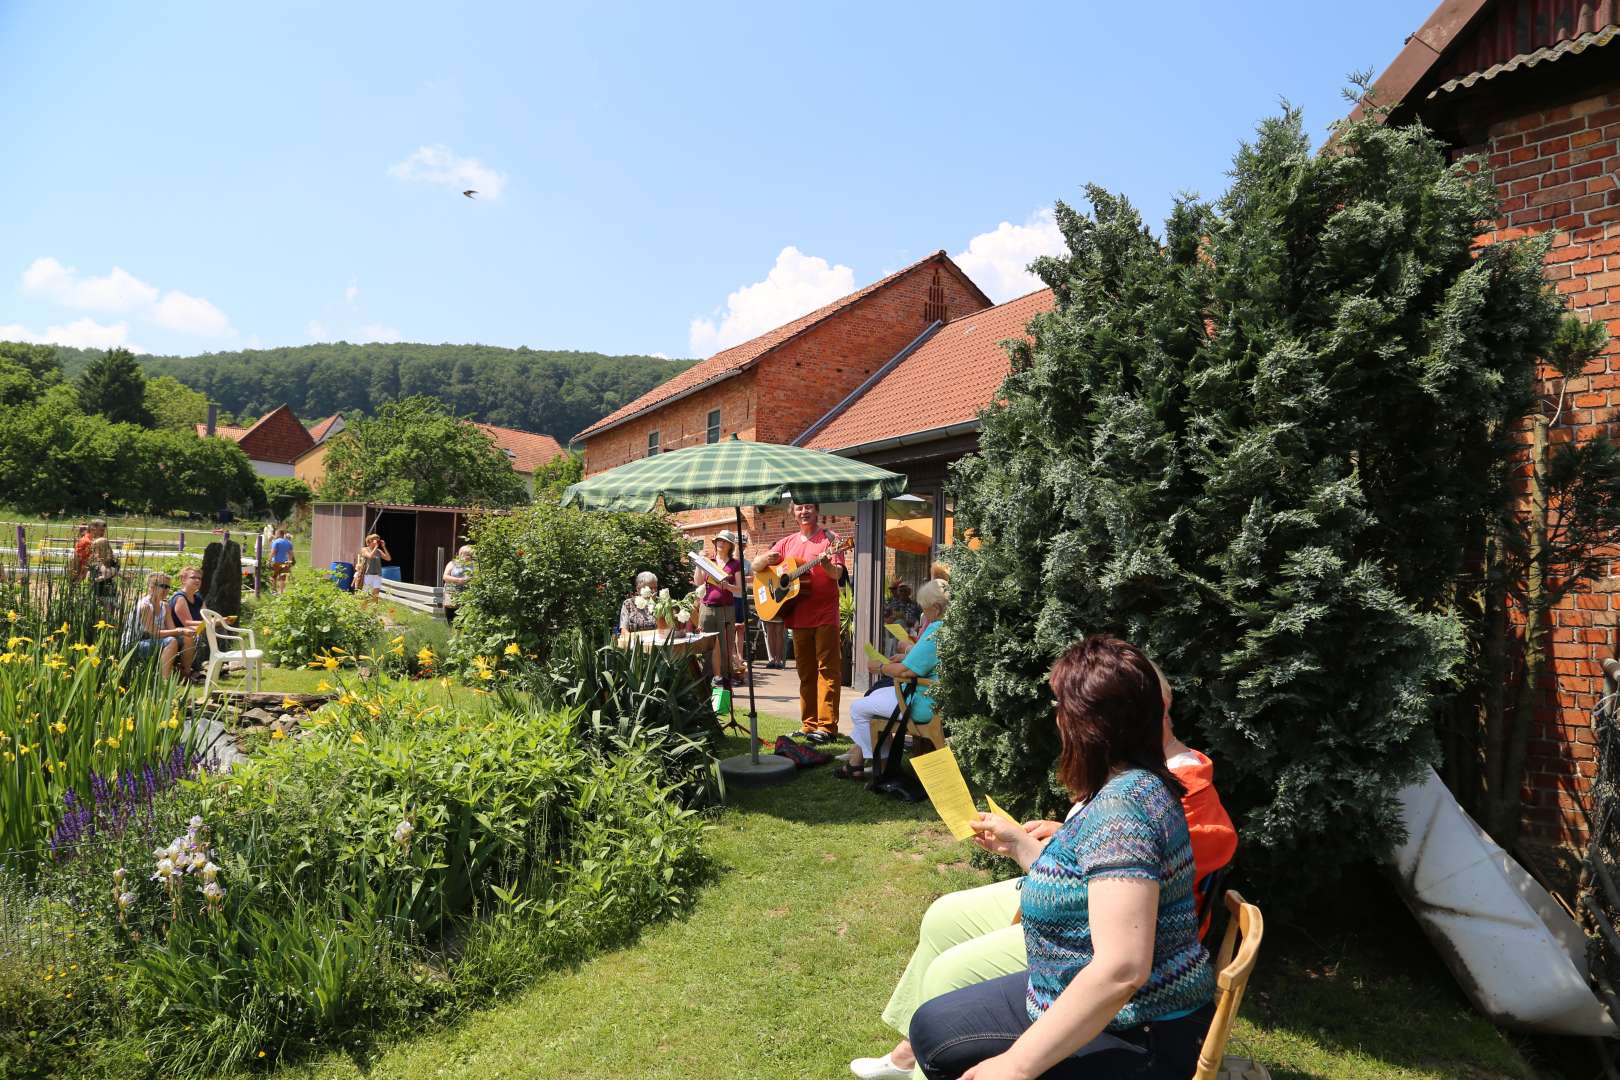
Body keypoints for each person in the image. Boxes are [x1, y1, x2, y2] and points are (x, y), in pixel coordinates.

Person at [850, 654, 1237, 1078]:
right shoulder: (1138, 781)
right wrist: (1021, 846)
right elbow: (1090, 882)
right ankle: (909, 1056)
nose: (1056, 718)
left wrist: (1016, 1065)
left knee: (939, 1036)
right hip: (1103, 996)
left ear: (1090, 724)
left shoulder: (1124, 810)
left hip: (1140, 1027)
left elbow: (1123, 969)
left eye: (1061, 707)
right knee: (932, 1025)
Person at [752, 502, 847, 743]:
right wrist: (765, 558)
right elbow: (755, 567)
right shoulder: (787, 542)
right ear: (792, 513)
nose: (803, 512)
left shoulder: (831, 539)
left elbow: (838, 574)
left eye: (808, 507)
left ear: (817, 510)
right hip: (797, 615)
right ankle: (809, 725)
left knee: (827, 671)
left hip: (825, 615)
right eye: (799, 508)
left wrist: (826, 565)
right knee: (805, 672)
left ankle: (827, 728)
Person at [842, 577, 949, 781]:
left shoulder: (936, 630)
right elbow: (924, 660)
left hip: (923, 703)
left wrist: (880, 667)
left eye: (925, 609)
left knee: (858, 709)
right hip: (936, 698)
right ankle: (872, 762)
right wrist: (907, 655)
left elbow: (905, 672)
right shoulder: (951, 629)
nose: (923, 615)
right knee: (874, 696)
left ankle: (883, 764)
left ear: (936, 608)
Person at [696, 531, 743, 686]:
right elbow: (698, 582)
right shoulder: (708, 561)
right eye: (718, 540)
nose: (720, 543)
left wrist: (728, 586)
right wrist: (698, 563)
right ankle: (707, 678)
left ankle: (726, 677)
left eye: (724, 541)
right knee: (706, 642)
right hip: (707, 607)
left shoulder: (735, 564)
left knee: (725, 644)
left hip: (726, 609)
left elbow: (740, 589)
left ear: (730, 545)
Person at [122, 571, 185, 678]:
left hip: (151, 641)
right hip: (133, 645)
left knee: (186, 639)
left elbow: (172, 630)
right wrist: (180, 631)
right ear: (151, 587)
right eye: (163, 586)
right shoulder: (145, 606)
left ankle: (186, 673)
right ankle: (164, 680)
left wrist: (183, 632)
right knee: (171, 641)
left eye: (168, 587)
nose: (166, 590)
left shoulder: (165, 606)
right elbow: (154, 633)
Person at [168, 567, 207, 682]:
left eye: (199, 578)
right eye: (193, 577)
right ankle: (187, 672)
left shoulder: (198, 599)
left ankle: (216, 665)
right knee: (198, 634)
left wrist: (217, 621)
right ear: (183, 579)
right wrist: (211, 622)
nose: (197, 580)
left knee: (218, 629)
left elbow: (206, 616)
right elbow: (187, 622)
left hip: (194, 631)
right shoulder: (180, 598)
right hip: (179, 634)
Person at [619, 571, 660, 636]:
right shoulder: (628, 604)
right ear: (638, 589)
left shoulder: (661, 603)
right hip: (636, 641)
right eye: (650, 588)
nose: (654, 591)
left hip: (659, 641)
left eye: (655, 588)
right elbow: (624, 631)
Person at [86, 537, 121, 612]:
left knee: (107, 614)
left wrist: (99, 563)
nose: (94, 552)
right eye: (93, 549)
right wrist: (96, 578)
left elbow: (107, 573)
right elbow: (89, 577)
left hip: (108, 595)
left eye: (95, 549)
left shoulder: (114, 561)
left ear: (103, 549)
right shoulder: (92, 561)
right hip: (95, 594)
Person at [442, 545, 474, 625]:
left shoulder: (474, 565)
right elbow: (445, 577)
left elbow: (478, 577)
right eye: (466, 554)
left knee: (465, 621)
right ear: (460, 554)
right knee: (451, 619)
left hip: (468, 596)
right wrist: (459, 580)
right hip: (452, 594)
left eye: (470, 555)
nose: (468, 557)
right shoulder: (452, 563)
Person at [354, 534, 391, 600]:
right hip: (368, 575)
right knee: (365, 595)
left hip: (377, 575)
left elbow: (388, 558)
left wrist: (384, 547)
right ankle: (363, 606)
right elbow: (370, 556)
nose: (377, 542)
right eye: (376, 540)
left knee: (375, 596)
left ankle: (374, 606)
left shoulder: (378, 551)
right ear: (370, 541)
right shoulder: (365, 549)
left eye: (378, 541)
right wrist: (376, 546)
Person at [268, 529, 295, 594]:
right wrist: (289, 562)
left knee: (273, 577)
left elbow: (273, 552)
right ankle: (282, 592)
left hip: (276, 562)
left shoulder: (276, 542)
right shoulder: (288, 542)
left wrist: (269, 561)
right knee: (282, 578)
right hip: (285, 562)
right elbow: (290, 553)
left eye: (276, 533)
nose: (275, 535)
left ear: (279, 534)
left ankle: (274, 591)